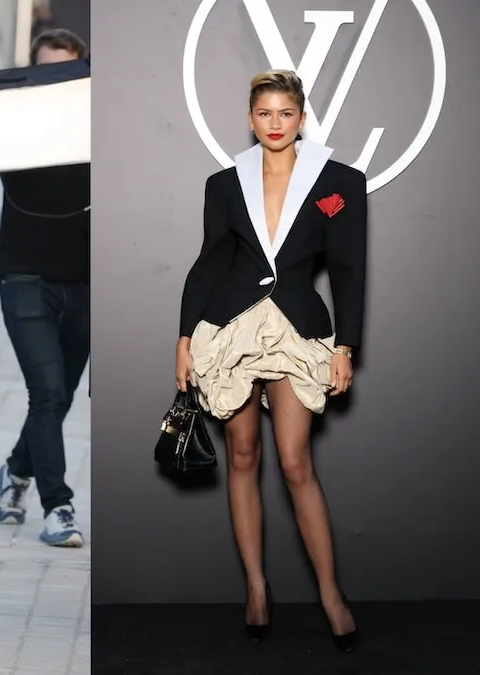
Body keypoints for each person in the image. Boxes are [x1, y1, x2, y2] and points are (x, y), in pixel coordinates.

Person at [175, 69, 365, 652]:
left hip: (297, 330)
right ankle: (256, 588)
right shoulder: (225, 182)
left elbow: (351, 271)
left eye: (286, 114)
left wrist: (345, 345)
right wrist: (184, 339)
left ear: (302, 117)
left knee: (293, 461)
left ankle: (330, 592)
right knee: (242, 455)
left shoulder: (339, 181)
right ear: (250, 118)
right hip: (230, 326)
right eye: (265, 114)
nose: (276, 124)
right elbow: (208, 262)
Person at [0, 29, 89, 548]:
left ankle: (14, 471)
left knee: (60, 397)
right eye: (44, 71)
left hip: (86, 279)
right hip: (25, 274)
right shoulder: (11, 124)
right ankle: (59, 506)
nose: (54, 82)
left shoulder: (99, 125)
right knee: (47, 393)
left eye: (65, 72)